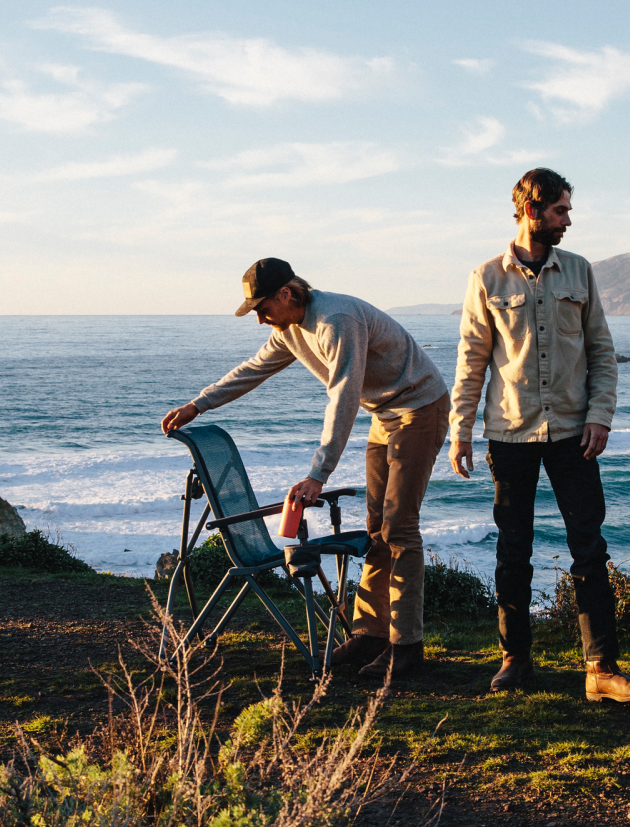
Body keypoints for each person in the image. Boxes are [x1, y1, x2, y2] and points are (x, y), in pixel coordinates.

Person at [161, 258, 449, 679]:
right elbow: (252, 370)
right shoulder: (290, 330)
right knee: (376, 531)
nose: (260, 320)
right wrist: (197, 404)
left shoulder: (336, 320)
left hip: (417, 408)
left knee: (400, 529)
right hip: (384, 415)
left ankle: (406, 648)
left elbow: (344, 396)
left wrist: (320, 473)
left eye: (263, 309)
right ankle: (371, 634)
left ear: (287, 294)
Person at [448, 169, 630, 702]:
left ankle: (601, 670)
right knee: (513, 550)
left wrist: (600, 415)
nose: (569, 219)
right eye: (561, 210)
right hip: (509, 432)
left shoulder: (580, 273)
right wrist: (461, 431)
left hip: (573, 433)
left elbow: (602, 353)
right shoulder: (486, 278)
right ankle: (515, 659)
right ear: (531, 210)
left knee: (589, 547)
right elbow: (471, 363)